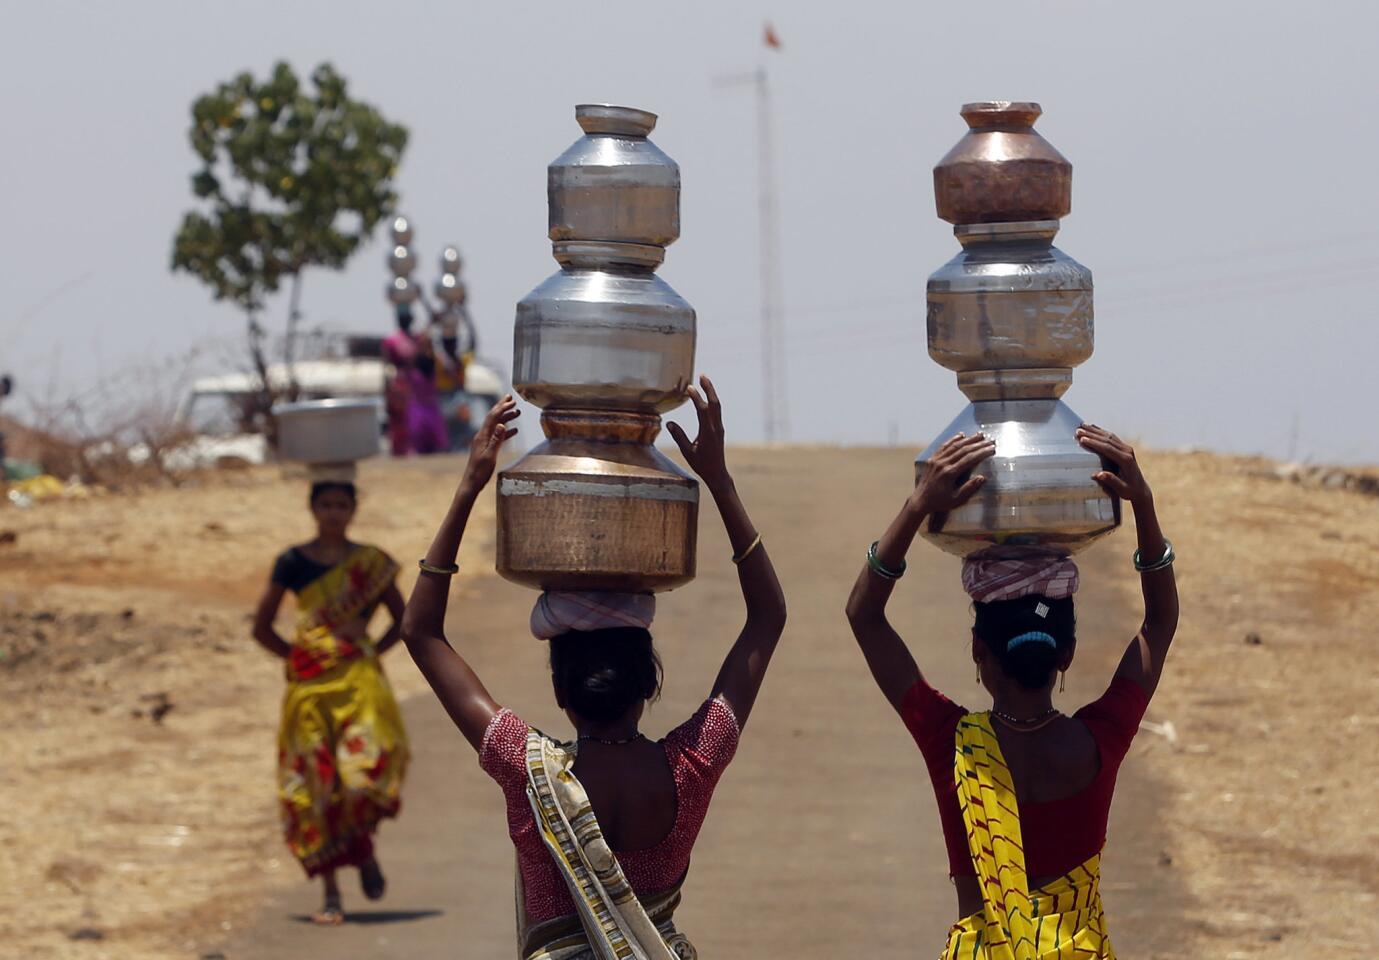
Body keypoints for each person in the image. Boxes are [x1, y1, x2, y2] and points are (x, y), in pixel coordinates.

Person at [400, 377, 787, 959]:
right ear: (648, 682)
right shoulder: (693, 765)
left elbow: (421, 633)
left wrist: (471, 485)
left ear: (560, 690)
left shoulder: (527, 768)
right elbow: (767, 618)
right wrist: (720, 483)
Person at [845, 425, 1178, 958]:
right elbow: (1160, 622)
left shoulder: (953, 746)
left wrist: (916, 506)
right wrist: (1143, 503)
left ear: (979, 651)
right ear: (1066, 655)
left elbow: (864, 615)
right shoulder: (1099, 742)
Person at [251, 480, 411, 925]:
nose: (334, 512)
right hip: (308, 689)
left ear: (354, 509)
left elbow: (406, 621)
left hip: (359, 683)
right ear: (312, 508)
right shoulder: (291, 561)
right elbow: (261, 627)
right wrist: (299, 657)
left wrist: (371, 651)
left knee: (361, 777)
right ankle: (331, 894)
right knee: (317, 784)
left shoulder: (371, 564)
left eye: (342, 504)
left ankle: (363, 853)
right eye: (326, 504)